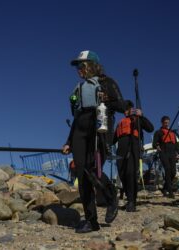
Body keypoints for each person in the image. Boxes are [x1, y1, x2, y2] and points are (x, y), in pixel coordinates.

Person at [62, 50, 125, 233]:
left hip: (100, 127)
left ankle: (111, 195)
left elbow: (121, 105)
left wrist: (106, 100)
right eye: (78, 67)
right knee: (81, 173)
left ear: (93, 65)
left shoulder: (107, 82)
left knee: (93, 169)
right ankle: (91, 221)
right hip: (80, 130)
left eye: (82, 65)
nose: (79, 69)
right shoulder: (79, 88)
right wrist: (68, 141)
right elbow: (76, 116)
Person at [113, 100, 154, 212]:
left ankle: (132, 201)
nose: (127, 111)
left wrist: (142, 116)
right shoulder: (120, 123)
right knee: (122, 175)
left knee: (130, 173)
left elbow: (150, 128)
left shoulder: (138, 120)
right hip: (120, 150)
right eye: (125, 109)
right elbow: (112, 140)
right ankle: (129, 198)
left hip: (134, 147)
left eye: (129, 109)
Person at [152, 116, 179, 198]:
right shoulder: (158, 132)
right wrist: (157, 146)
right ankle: (170, 192)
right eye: (165, 123)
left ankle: (165, 188)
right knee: (167, 169)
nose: (167, 124)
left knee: (173, 172)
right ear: (162, 123)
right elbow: (154, 144)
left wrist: (178, 153)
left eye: (168, 122)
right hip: (163, 153)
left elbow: (176, 144)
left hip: (172, 153)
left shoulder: (172, 132)